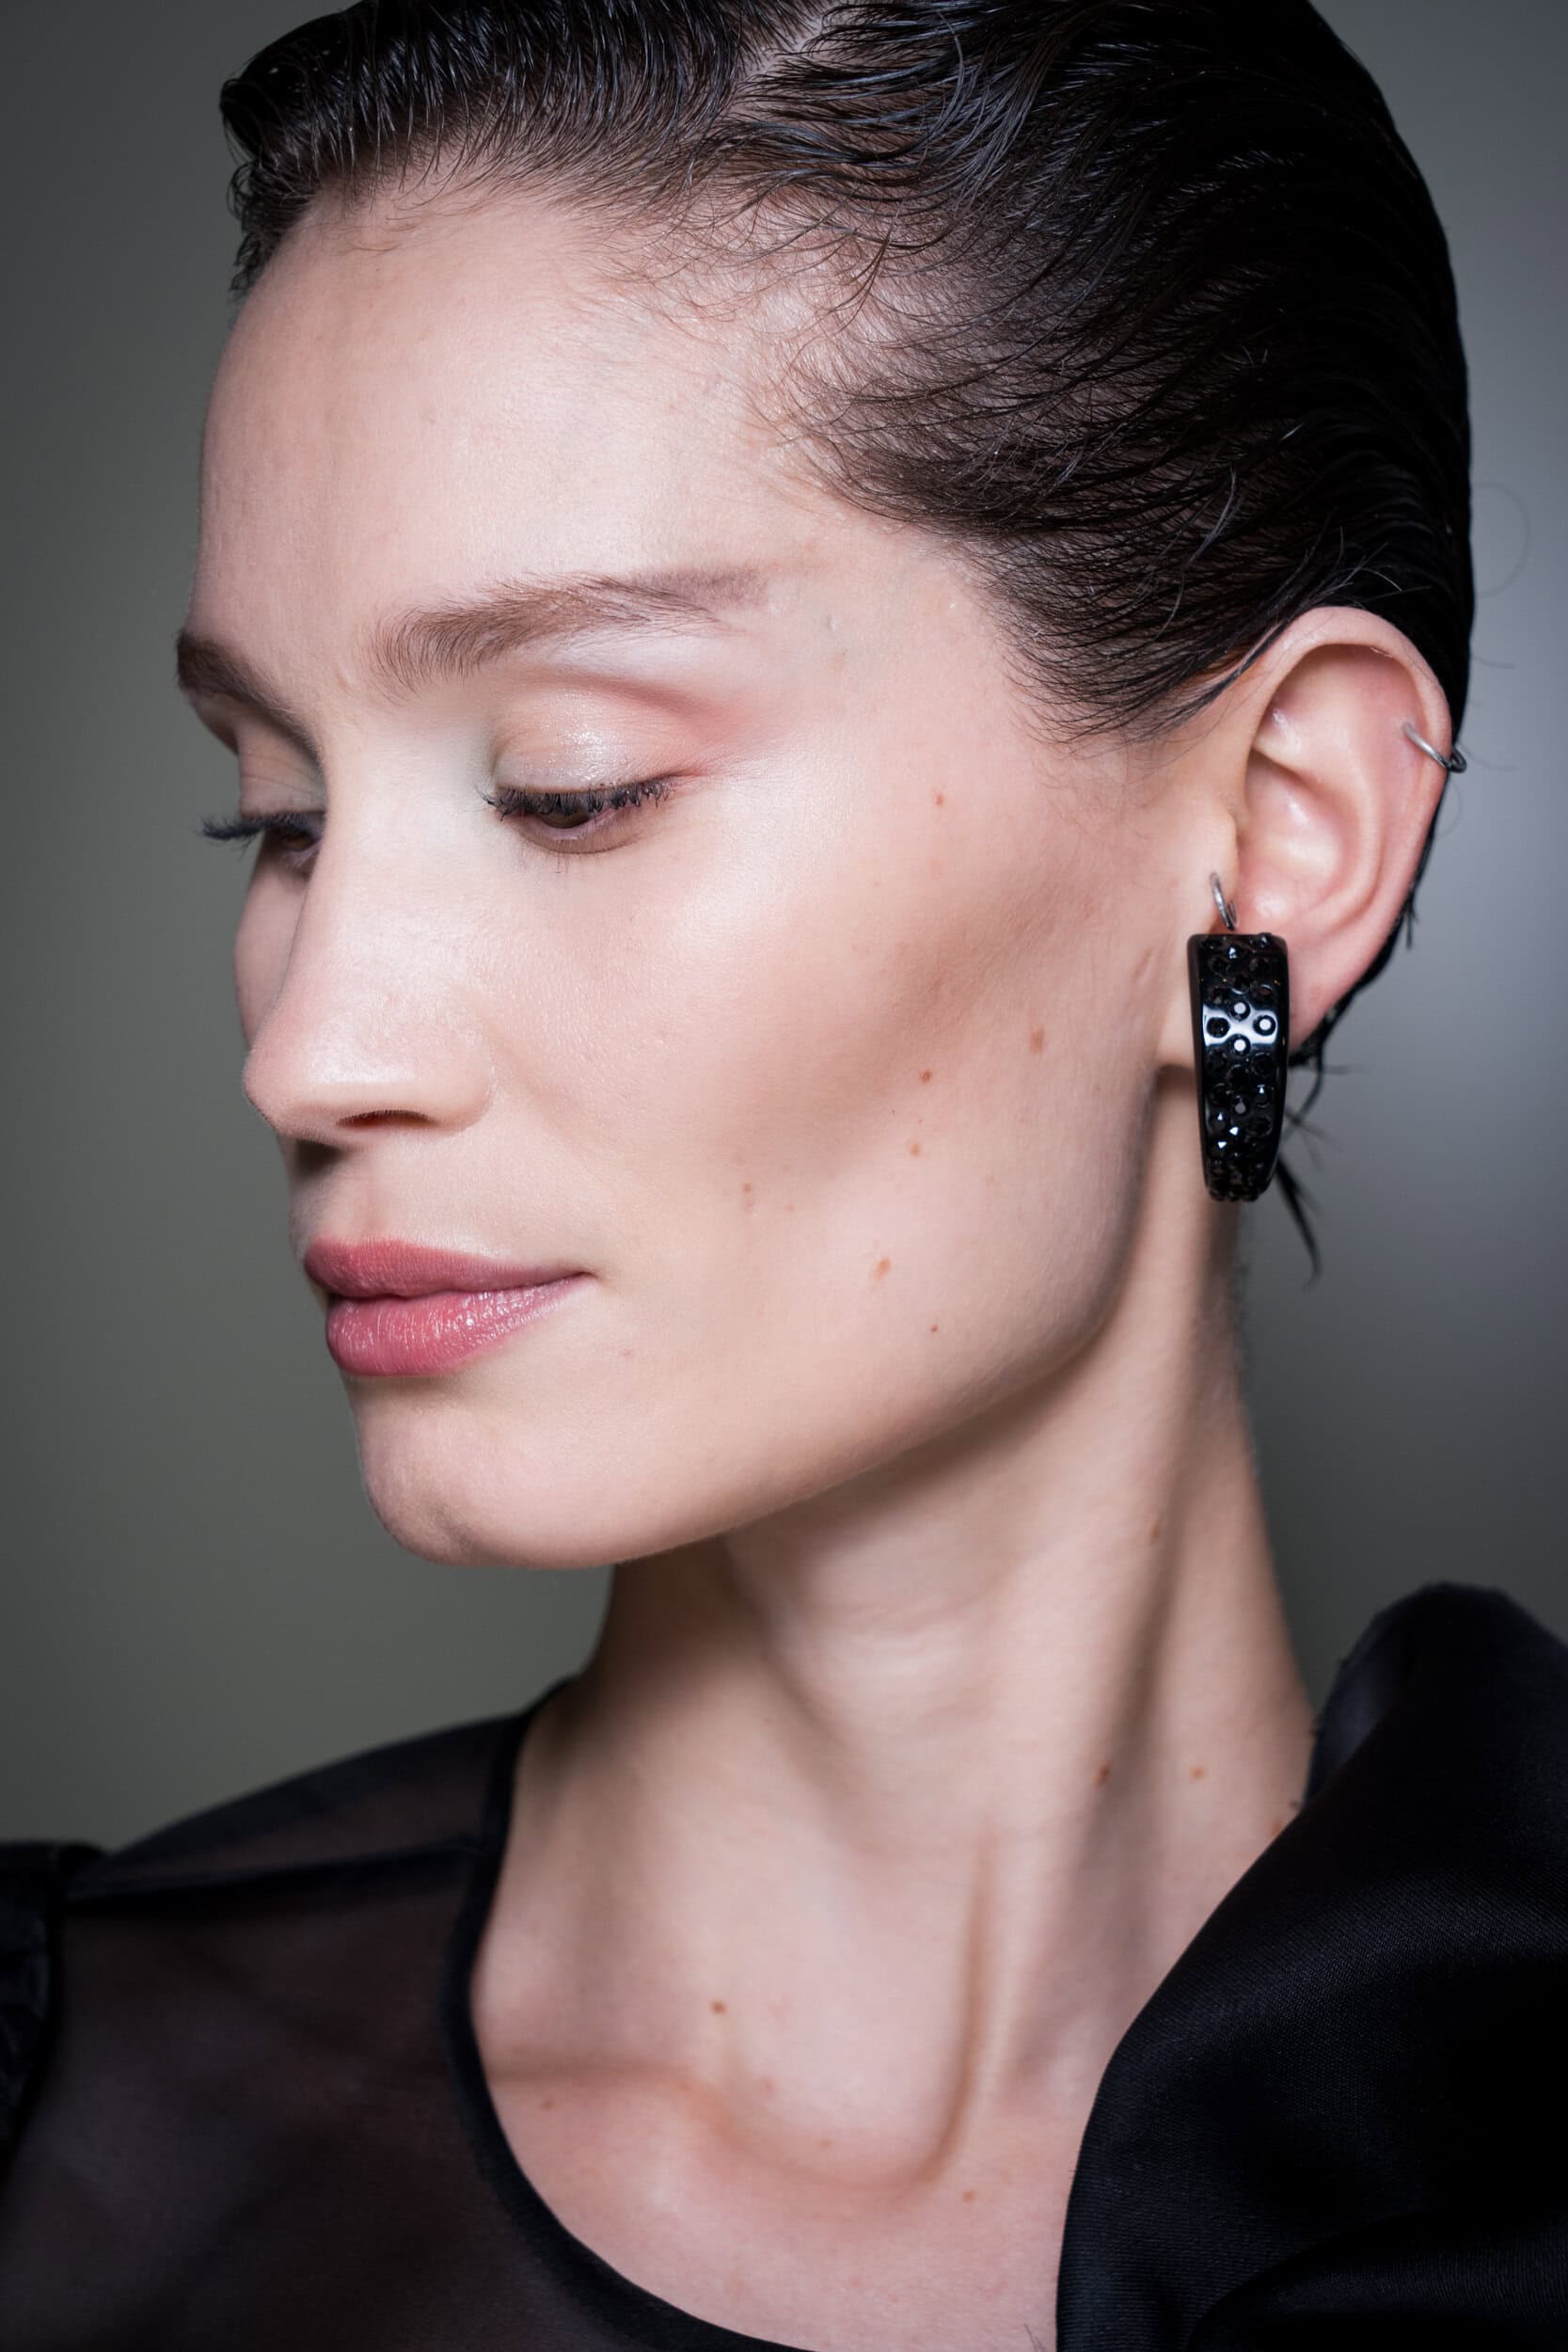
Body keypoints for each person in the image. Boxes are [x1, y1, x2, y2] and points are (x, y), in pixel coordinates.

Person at [3, 2, 1565, 2345]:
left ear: (1274, 838)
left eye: (573, 784)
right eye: (280, 815)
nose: (310, 1044)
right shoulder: (62, 2150)